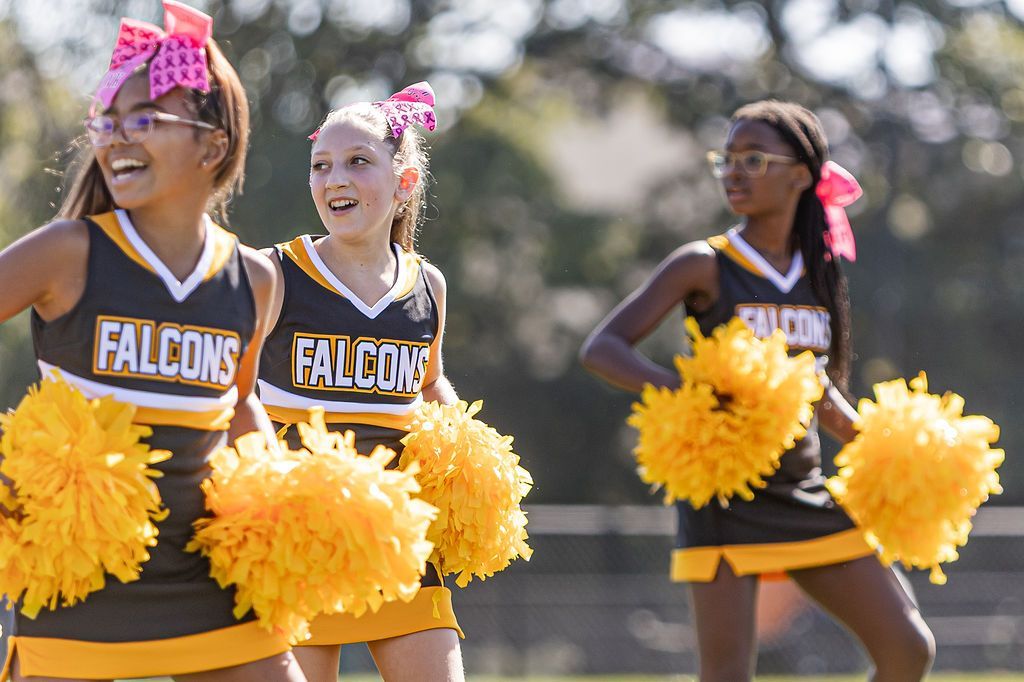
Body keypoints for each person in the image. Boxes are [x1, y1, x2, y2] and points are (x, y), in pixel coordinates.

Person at [0, 2, 306, 680]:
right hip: (76, 577)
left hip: (208, 578)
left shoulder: (255, 279)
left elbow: (241, 405)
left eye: (143, 119)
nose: (114, 139)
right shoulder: (68, 252)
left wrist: (280, 499)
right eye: (106, 122)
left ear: (213, 145)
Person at [580, 100, 935, 681]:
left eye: (753, 159)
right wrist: (689, 394)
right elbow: (604, 347)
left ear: (800, 174)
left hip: (804, 490)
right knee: (727, 675)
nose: (733, 172)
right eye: (727, 159)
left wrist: (883, 442)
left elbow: (813, 381)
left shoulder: (818, 273)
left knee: (907, 648)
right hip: (723, 495)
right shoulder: (704, 264)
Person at [255, 83, 465, 682]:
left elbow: (431, 386)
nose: (334, 179)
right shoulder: (276, 272)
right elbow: (232, 386)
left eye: (357, 162)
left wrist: (468, 459)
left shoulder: (429, 285)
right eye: (320, 165)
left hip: (397, 538)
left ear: (404, 181)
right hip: (296, 541)